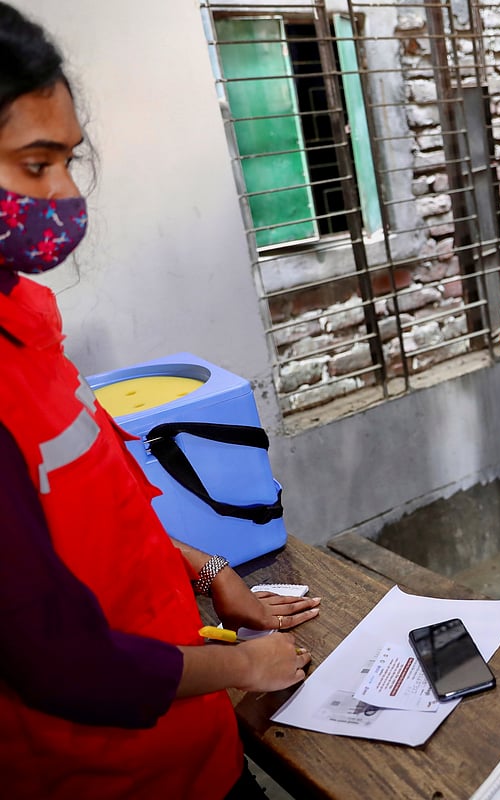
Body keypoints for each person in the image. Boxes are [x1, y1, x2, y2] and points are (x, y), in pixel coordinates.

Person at [0, 6, 319, 797]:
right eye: (36, 166)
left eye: (70, 161)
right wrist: (242, 663)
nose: (68, 193)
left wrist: (211, 571)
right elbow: (60, 661)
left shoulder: (26, 328)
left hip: (189, 737)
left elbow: (101, 520)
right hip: (106, 775)